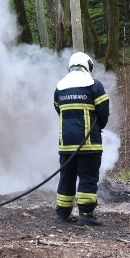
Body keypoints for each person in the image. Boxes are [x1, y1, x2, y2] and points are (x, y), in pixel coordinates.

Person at [53, 52, 109, 226]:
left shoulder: (60, 88)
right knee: (88, 177)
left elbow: (58, 110)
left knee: (66, 178)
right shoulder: (94, 85)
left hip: (66, 146)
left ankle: (62, 213)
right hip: (89, 145)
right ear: (87, 66)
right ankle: (86, 214)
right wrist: (98, 125)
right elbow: (103, 112)